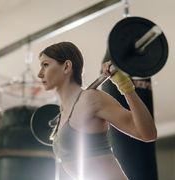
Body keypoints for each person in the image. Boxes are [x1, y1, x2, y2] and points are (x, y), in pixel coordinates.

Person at [37, 41, 157, 180]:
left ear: (66, 66)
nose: (40, 74)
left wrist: (125, 86)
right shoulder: (63, 111)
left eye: (45, 65)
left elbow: (148, 134)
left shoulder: (91, 98)